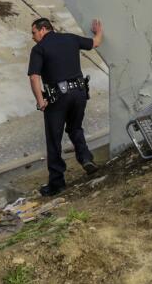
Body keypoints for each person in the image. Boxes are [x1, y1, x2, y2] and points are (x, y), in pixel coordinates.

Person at [27, 16, 103, 196]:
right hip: (79, 92)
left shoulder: (39, 49)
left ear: (43, 29)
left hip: (58, 97)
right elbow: (96, 43)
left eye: (34, 32)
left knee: (54, 139)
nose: (33, 36)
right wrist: (98, 31)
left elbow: (34, 77)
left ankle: (57, 183)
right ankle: (85, 159)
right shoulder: (71, 38)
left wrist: (40, 101)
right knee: (75, 127)